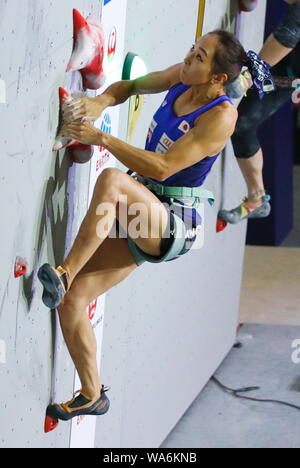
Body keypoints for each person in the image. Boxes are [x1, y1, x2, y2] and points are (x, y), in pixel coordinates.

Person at [38, 30, 265, 422]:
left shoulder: (222, 117)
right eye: (193, 48)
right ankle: (93, 395)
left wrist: (100, 136)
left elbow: (162, 167)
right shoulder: (183, 75)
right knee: (72, 301)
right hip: (144, 206)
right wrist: (100, 100)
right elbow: (130, 86)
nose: (189, 57)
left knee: (112, 181)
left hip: (174, 220)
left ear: (217, 79)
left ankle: (64, 270)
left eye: (200, 56)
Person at [219, 0, 300, 224]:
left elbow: (288, 34)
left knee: (242, 125)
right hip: (289, 64)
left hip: (292, 73)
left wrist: (249, 77)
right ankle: (258, 200)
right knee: (242, 127)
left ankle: (256, 200)